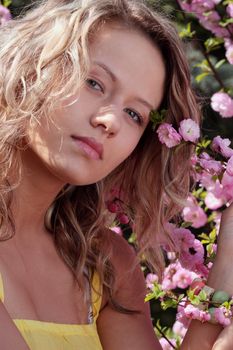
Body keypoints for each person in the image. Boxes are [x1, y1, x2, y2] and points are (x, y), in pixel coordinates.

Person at [0, 0, 232, 349]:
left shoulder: (105, 266)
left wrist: (228, 263)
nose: (110, 122)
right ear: (32, 69)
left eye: (134, 114)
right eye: (94, 83)